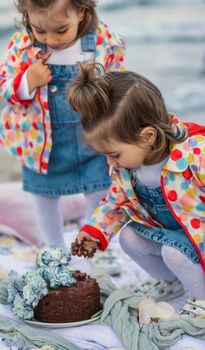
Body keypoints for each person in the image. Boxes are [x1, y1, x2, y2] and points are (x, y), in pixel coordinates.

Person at [68, 62, 205, 318]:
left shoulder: (198, 154)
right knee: (128, 238)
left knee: (172, 252)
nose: (111, 163)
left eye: (115, 154)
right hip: (170, 234)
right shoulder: (128, 168)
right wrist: (94, 232)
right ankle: (173, 283)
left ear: (147, 136)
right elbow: (115, 203)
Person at [0, 0, 125, 248]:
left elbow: (119, 84)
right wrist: (28, 80)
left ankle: (95, 244)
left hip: (92, 136)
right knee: (44, 198)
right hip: (41, 142)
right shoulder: (23, 46)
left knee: (100, 192)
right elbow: (5, 87)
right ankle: (54, 250)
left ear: (81, 11)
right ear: (27, 17)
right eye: (40, 30)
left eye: (60, 30)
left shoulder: (103, 41)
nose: (51, 40)